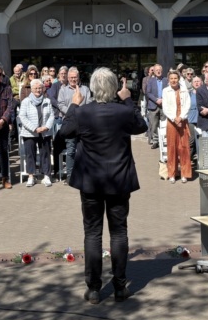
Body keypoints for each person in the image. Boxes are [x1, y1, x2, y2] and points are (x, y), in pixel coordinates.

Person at [60, 68, 147, 304]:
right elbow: (142, 126)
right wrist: (128, 98)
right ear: (113, 89)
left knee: (93, 233)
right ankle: (120, 287)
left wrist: (74, 106)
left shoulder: (83, 112)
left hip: (91, 181)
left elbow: (63, 132)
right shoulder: (124, 111)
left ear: (93, 89)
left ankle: (94, 289)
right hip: (119, 180)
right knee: (119, 232)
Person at [19, 78, 55, 187]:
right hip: (29, 132)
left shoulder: (47, 101)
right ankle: (31, 176)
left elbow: (52, 115)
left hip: (44, 132)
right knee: (30, 154)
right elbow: (22, 116)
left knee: (45, 154)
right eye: (36, 88)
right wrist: (34, 128)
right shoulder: (26, 101)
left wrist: (46, 127)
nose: (38, 90)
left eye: (40, 88)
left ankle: (47, 176)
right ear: (31, 89)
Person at [58, 67, 90, 184]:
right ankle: (70, 176)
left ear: (78, 77)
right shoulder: (63, 90)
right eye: (71, 77)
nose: (73, 79)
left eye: (75, 77)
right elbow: (60, 105)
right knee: (71, 150)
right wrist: (73, 111)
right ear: (67, 78)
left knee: (85, 150)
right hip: (70, 124)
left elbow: (89, 103)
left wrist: (80, 112)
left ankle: (85, 174)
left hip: (84, 124)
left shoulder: (85, 89)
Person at [162, 71, 191, 183]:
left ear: (178, 79)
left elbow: (187, 105)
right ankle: (172, 174)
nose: (173, 80)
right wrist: (174, 118)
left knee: (184, 147)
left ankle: (185, 173)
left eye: (175, 78)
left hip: (183, 121)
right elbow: (165, 108)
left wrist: (181, 118)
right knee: (172, 148)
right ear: (168, 80)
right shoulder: (166, 91)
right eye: (171, 78)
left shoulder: (184, 90)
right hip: (171, 121)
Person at [145, 65, 169, 149]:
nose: (158, 71)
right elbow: (148, 92)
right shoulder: (151, 81)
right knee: (154, 124)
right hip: (153, 105)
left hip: (164, 105)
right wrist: (156, 100)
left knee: (164, 124)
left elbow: (169, 91)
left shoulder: (166, 80)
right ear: (154, 72)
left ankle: (164, 140)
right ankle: (156, 141)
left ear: (162, 71)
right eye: (157, 70)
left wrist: (163, 99)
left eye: (160, 70)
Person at [187, 76, 201, 160]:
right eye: (195, 81)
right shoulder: (189, 94)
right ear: (192, 84)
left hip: (201, 119)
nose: (196, 83)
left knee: (200, 139)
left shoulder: (205, 93)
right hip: (191, 119)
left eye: (198, 81)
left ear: (201, 82)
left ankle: (201, 158)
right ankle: (188, 160)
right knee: (191, 140)